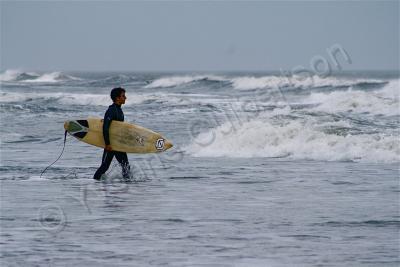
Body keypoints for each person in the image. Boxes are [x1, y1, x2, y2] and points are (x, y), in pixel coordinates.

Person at [93, 87, 131, 180]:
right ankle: (95, 182)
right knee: (105, 166)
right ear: (117, 98)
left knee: (125, 166)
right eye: (123, 96)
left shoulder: (119, 110)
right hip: (110, 145)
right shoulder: (111, 110)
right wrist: (107, 144)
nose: (125, 98)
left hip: (118, 143)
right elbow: (105, 127)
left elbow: (118, 129)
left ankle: (128, 184)